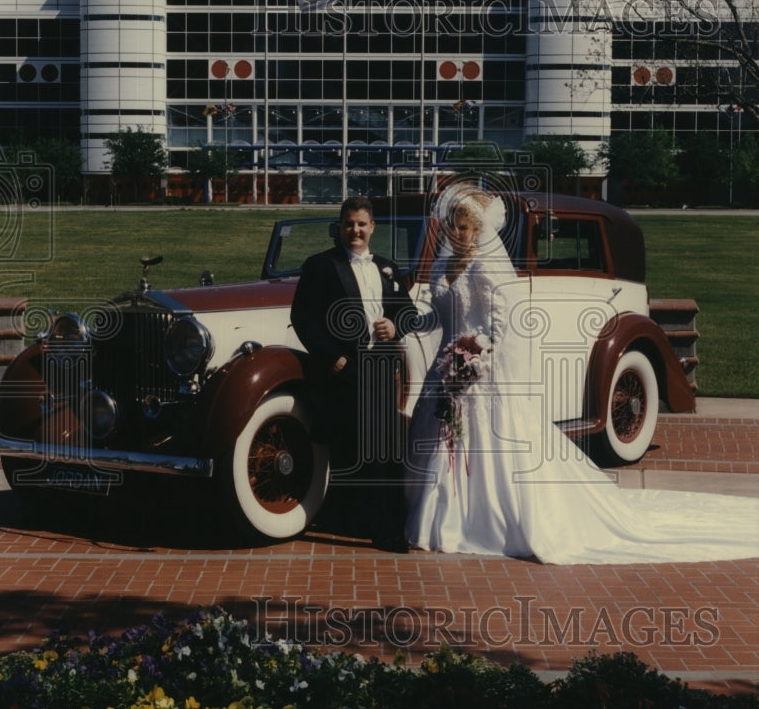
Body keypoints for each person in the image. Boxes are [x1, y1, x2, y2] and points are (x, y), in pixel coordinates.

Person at [405, 183, 759, 564]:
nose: (456, 233)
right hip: (449, 368)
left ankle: (480, 520)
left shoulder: (486, 264)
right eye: (451, 227)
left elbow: (503, 320)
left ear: (477, 229)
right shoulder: (443, 264)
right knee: (445, 440)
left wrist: (479, 357)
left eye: (463, 227)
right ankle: (445, 518)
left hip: (479, 370)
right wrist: (406, 324)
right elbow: (439, 315)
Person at [291, 197, 418, 551]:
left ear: (372, 227)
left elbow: (408, 312)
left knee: (387, 447)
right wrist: (332, 358)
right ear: (339, 226)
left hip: (382, 367)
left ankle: (389, 524)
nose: (355, 230)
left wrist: (395, 325)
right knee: (357, 447)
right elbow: (303, 317)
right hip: (346, 370)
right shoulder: (321, 265)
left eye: (361, 224)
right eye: (348, 224)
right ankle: (376, 528)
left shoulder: (387, 268)